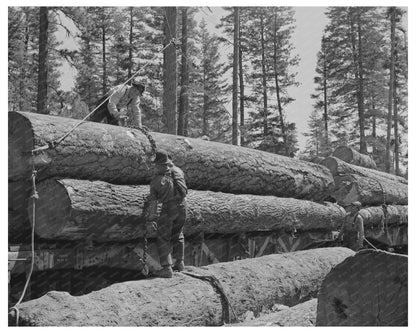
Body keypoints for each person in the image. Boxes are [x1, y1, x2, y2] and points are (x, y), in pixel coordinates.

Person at [147, 149, 188, 278]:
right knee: (178, 234)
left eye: (155, 165)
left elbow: (153, 203)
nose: (154, 168)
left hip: (169, 209)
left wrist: (151, 219)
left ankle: (166, 268)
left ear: (160, 165)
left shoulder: (156, 181)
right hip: (183, 207)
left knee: (163, 237)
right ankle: (180, 263)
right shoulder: (179, 171)